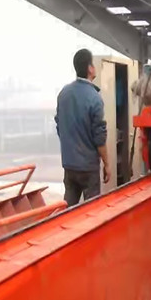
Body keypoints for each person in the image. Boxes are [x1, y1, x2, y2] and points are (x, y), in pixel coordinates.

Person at [55, 48, 111, 206]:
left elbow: (60, 127)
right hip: (88, 167)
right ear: (90, 68)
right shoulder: (94, 98)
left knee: (68, 210)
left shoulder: (63, 94)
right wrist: (107, 164)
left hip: (69, 165)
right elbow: (99, 138)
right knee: (92, 210)